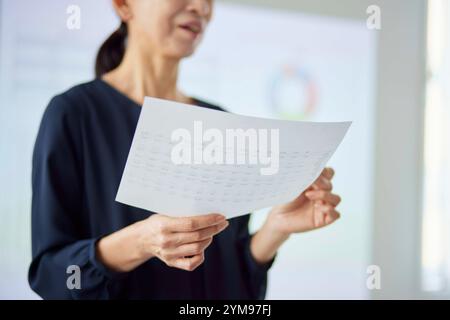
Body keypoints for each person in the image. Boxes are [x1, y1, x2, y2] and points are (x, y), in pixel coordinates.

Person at [28, 0, 342, 299]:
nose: (201, 8)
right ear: (123, 5)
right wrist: (142, 241)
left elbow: (236, 288)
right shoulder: (74, 114)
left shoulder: (220, 123)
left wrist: (275, 229)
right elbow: (53, 276)